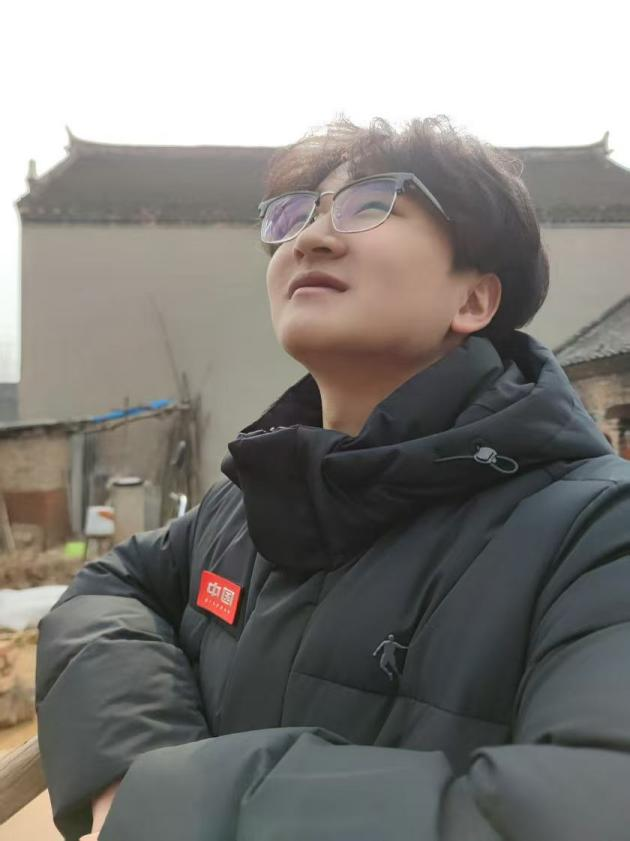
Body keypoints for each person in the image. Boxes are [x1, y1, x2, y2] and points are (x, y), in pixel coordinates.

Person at [36, 116, 630, 841]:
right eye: (294, 216)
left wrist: (172, 805)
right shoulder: (243, 506)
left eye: (371, 204)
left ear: (473, 300)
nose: (309, 238)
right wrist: (134, 768)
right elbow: (108, 589)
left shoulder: (598, 535)